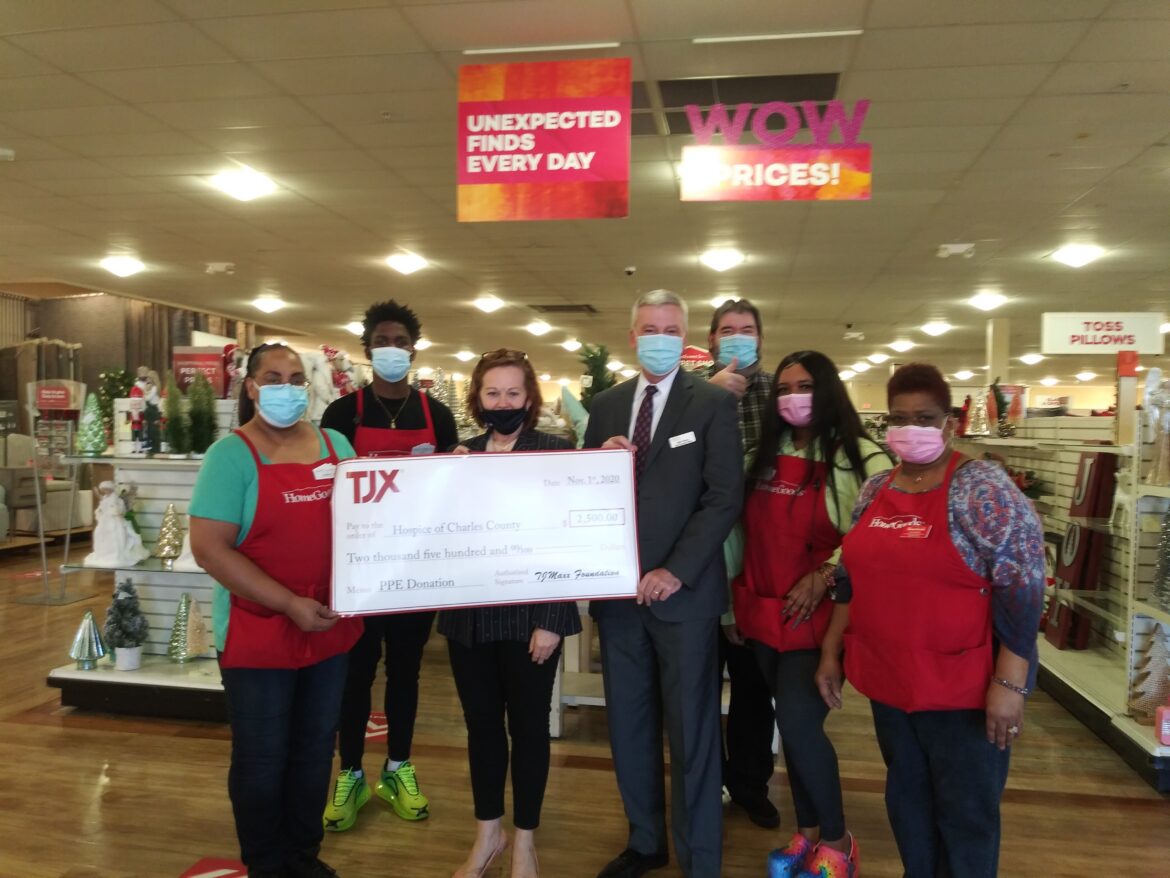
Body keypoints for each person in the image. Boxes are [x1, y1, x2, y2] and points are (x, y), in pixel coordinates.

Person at [815, 363, 1045, 878]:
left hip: (963, 691)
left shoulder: (983, 490)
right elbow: (851, 578)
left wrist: (1012, 681)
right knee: (909, 808)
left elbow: (1024, 586)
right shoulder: (876, 489)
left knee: (965, 817)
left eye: (925, 417)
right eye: (900, 418)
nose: (912, 428)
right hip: (892, 686)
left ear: (950, 423)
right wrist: (832, 651)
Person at [584, 290, 743, 878]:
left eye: (671, 329)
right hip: (620, 597)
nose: (660, 337)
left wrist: (675, 569)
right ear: (633, 336)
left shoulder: (710, 404)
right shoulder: (605, 405)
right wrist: (598, 462)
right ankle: (646, 841)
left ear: (685, 339)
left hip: (685, 596)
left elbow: (724, 495)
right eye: (649, 327)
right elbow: (579, 491)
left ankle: (701, 857)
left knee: (693, 730)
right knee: (628, 724)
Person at [189, 343, 363, 878]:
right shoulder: (231, 456)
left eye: (295, 379)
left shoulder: (336, 445)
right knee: (263, 760)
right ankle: (266, 865)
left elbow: (374, 520)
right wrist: (288, 603)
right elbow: (210, 548)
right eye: (273, 377)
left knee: (314, 753)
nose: (286, 388)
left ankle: (302, 858)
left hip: (328, 627)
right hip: (258, 630)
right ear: (250, 387)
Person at [735, 351, 888, 878]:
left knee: (800, 725)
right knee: (787, 719)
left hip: (822, 617)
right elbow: (742, 530)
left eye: (804, 386)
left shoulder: (860, 457)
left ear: (827, 391)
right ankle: (806, 835)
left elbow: (878, 533)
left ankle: (841, 843)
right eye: (783, 389)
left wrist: (825, 574)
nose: (792, 397)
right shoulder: (763, 453)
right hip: (762, 611)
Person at [441, 348, 583, 878]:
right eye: (492, 392)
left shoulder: (556, 452)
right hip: (468, 619)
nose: (503, 402)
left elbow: (569, 539)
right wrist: (441, 485)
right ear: (478, 398)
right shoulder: (459, 455)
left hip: (531, 621)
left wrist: (552, 615)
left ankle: (525, 839)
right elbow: (439, 538)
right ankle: (487, 835)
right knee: (480, 727)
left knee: (527, 729)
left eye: (513, 393)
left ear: (530, 398)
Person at [319, 300, 459, 832]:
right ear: (368, 349)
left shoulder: (436, 415)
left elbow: (454, 492)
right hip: (358, 569)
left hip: (414, 568)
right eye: (384, 340)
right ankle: (350, 772)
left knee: (405, 671)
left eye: (402, 341)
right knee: (355, 674)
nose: (393, 349)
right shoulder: (342, 415)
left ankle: (398, 766)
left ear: (413, 349)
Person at [706, 298, 781, 830]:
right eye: (727, 330)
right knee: (699, 690)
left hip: (761, 568)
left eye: (747, 330)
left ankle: (751, 784)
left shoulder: (783, 394)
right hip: (705, 567)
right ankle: (705, 784)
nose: (737, 337)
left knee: (755, 689)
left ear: (760, 337)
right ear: (711, 341)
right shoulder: (692, 394)